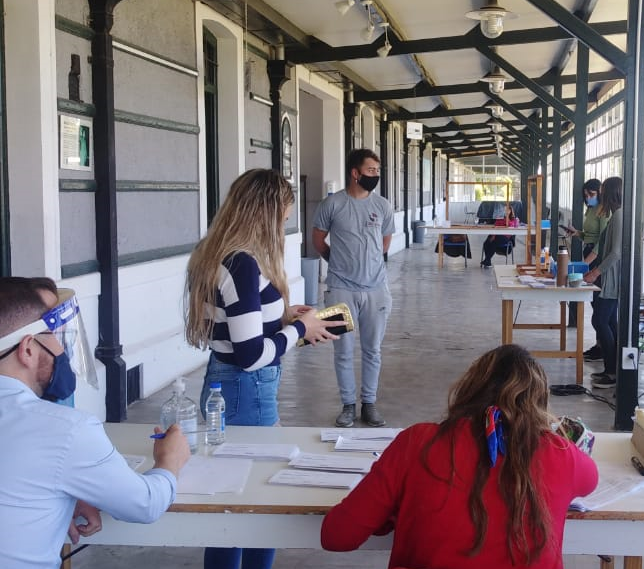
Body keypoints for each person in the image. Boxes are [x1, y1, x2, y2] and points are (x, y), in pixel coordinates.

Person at [321, 344, 598, 569]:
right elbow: (590, 481)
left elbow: (337, 536)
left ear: (469, 388)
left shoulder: (418, 443)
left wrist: (397, 506)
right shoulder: (560, 453)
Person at [185, 169, 339, 569]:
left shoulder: (219, 252)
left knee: (235, 502)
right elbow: (251, 353)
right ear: (267, 212)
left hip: (231, 384)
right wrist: (301, 329)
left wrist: (284, 315)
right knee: (253, 505)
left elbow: (237, 319)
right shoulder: (242, 264)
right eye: (284, 214)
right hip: (245, 388)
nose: (286, 222)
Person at [0, 277, 190, 569]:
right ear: (27, 349)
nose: (61, 351)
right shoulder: (66, 430)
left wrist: (63, 490)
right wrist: (170, 461)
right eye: (53, 336)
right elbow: (145, 504)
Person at [313, 149, 395, 428]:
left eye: (377, 170)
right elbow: (318, 241)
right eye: (371, 170)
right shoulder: (332, 205)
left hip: (376, 289)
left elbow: (384, 244)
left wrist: (368, 265)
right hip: (339, 288)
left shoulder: (383, 206)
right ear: (355, 173)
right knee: (342, 351)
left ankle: (369, 403)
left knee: (373, 349)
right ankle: (348, 405)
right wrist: (339, 262)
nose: (376, 175)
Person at [583, 177, 623, 388]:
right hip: (609, 276)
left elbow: (616, 252)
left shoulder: (618, 216)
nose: (600, 196)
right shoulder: (616, 215)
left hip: (612, 278)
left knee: (600, 320)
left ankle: (612, 371)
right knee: (609, 322)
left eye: (602, 192)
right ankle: (615, 369)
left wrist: (596, 272)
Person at [564, 179, 610, 338]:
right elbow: (590, 235)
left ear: (600, 192)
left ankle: (602, 344)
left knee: (599, 304)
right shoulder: (590, 210)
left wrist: (586, 263)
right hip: (588, 251)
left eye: (591, 194)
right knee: (593, 300)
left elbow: (602, 241)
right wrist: (577, 233)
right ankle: (600, 343)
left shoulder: (604, 211)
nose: (588, 197)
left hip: (597, 257)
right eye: (586, 195)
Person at [480, 202, 518, 268]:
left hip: (507, 238)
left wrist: (507, 219)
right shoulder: (500, 219)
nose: (506, 211)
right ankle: (488, 261)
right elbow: (495, 227)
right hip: (497, 236)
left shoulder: (514, 220)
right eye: (505, 210)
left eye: (507, 210)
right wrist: (493, 235)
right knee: (486, 242)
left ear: (511, 211)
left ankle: (487, 260)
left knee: (495, 240)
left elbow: (511, 226)